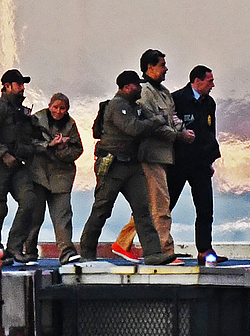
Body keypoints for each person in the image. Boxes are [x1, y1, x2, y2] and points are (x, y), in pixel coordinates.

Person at [79, 70, 177, 265]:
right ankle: (87, 251)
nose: (140, 88)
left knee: (143, 210)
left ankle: (153, 252)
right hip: (113, 165)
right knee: (102, 209)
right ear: (126, 87)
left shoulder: (133, 106)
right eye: (136, 85)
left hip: (132, 165)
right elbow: (133, 128)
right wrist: (157, 120)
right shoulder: (118, 106)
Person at [111, 50, 194, 264]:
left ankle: (122, 242)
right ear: (150, 67)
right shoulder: (145, 92)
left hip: (165, 155)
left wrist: (182, 129)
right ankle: (164, 250)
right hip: (150, 155)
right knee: (161, 205)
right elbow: (150, 124)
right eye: (162, 65)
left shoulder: (164, 92)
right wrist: (178, 135)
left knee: (149, 204)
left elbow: (172, 117)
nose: (166, 68)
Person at [0, 69, 39, 265]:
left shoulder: (20, 111)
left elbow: (29, 137)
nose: (22, 89)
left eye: (23, 85)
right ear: (7, 86)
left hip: (17, 165)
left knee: (29, 199)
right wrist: (4, 154)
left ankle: (14, 246)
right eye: (19, 85)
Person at [168, 65, 227, 265]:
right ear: (197, 81)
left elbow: (211, 131)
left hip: (201, 163)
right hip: (179, 162)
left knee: (205, 208)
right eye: (209, 81)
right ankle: (162, 248)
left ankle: (205, 250)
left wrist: (211, 159)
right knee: (167, 206)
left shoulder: (209, 103)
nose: (212, 85)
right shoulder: (177, 99)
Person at [23, 93, 83, 265]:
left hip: (61, 177)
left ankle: (66, 253)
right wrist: (48, 146)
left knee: (63, 217)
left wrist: (63, 147)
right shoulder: (37, 120)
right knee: (35, 216)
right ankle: (30, 252)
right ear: (49, 106)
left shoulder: (70, 125)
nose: (58, 111)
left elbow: (78, 150)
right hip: (38, 175)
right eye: (55, 107)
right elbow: (27, 143)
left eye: (62, 108)